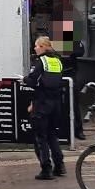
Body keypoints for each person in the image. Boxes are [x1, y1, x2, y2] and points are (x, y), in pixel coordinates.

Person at [23, 36, 69, 180]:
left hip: (42, 105)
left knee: (40, 138)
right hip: (55, 105)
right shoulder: (58, 61)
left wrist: (24, 79)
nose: (35, 48)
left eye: (36, 46)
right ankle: (60, 166)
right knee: (52, 136)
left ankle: (46, 169)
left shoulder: (41, 62)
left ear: (43, 47)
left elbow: (32, 81)